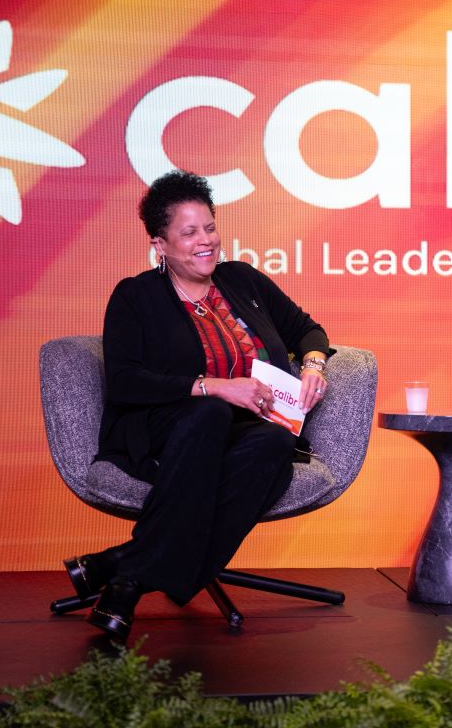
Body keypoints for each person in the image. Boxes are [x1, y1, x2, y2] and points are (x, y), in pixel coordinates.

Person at [64, 169, 331, 640]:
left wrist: (312, 365)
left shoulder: (241, 280)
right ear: (160, 244)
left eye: (209, 227)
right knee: (208, 414)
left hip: (247, 429)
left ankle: (123, 570)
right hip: (168, 427)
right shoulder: (135, 296)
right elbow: (124, 382)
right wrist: (215, 387)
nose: (205, 240)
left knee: (274, 446)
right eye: (188, 232)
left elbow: (307, 329)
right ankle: (130, 575)